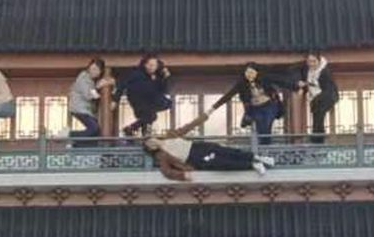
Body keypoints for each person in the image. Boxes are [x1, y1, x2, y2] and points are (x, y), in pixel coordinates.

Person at [143, 114, 277, 180]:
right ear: (152, 149)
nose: (152, 143)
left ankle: (258, 157)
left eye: (151, 140)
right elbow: (166, 171)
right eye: (149, 145)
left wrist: (204, 116)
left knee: (226, 151)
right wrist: (183, 175)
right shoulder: (162, 156)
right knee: (222, 163)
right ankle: (252, 165)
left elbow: (188, 127)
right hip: (194, 158)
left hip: (197, 147)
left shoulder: (169, 135)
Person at [208, 63, 296, 145]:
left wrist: (296, 86)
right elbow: (229, 95)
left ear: (256, 73)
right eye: (247, 72)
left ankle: (266, 147)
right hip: (255, 108)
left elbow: (281, 81)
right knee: (260, 127)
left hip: (269, 106)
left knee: (267, 123)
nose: (249, 75)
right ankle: (263, 147)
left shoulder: (265, 79)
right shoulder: (242, 84)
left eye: (251, 73)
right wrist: (213, 108)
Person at [113, 55, 173, 136]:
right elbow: (122, 85)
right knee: (150, 116)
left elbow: (162, 90)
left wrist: (165, 78)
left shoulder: (157, 76)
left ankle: (134, 130)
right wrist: (115, 100)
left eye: (154, 65)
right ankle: (134, 129)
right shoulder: (135, 74)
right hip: (138, 100)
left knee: (151, 116)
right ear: (145, 64)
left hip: (151, 100)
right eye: (150, 65)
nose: (152, 67)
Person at [296, 52, 339, 142]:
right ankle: (317, 138)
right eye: (309, 61)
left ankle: (318, 139)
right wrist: (301, 87)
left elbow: (327, 88)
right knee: (316, 116)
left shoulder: (324, 71)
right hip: (315, 96)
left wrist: (307, 85)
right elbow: (304, 80)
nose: (311, 64)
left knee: (319, 115)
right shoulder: (306, 70)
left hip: (327, 95)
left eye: (314, 61)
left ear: (319, 61)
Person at [67, 58, 105, 139]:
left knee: (96, 132)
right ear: (88, 68)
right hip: (79, 108)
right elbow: (88, 95)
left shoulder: (91, 81)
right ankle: (69, 135)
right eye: (92, 69)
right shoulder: (84, 78)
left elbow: (94, 95)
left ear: (100, 72)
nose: (94, 72)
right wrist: (98, 88)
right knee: (94, 129)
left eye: (96, 70)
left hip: (85, 110)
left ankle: (77, 144)